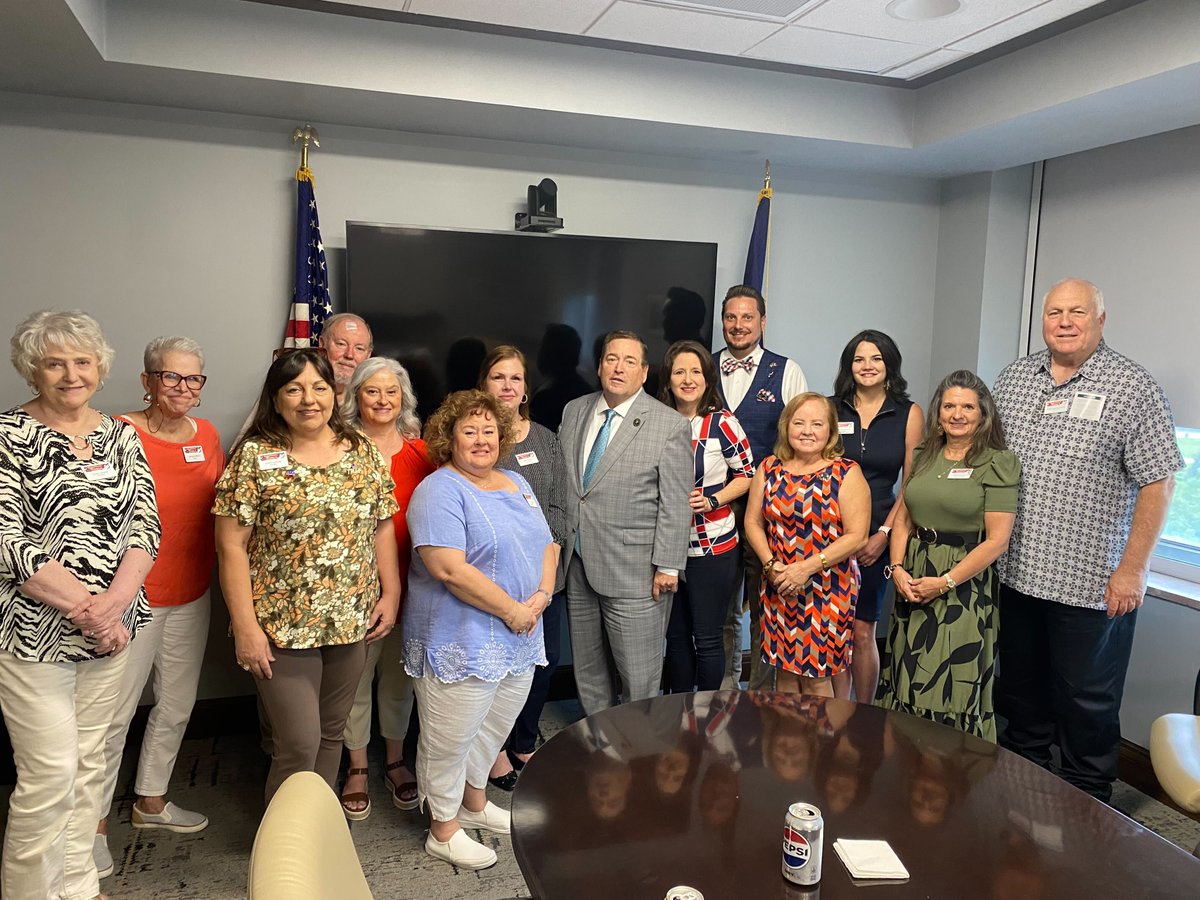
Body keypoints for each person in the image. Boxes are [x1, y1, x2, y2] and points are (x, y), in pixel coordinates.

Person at [993, 278, 1183, 801]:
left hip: (1091, 584)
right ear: (1043, 320)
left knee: (1087, 703)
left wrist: (1134, 569)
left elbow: (1159, 480)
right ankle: (1020, 787)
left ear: (1101, 319)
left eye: (1078, 311)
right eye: (1055, 311)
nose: (1065, 321)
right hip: (1016, 573)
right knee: (1019, 693)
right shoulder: (1014, 381)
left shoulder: (1131, 387)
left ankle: (1087, 807)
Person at [0, 310, 159, 900]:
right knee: (48, 776)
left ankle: (77, 884)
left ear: (100, 367)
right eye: (54, 362)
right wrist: (91, 610)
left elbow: (146, 525)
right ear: (31, 370)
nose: (71, 374)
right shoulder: (6, 436)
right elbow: (8, 542)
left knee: (92, 764)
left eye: (82, 361)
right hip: (34, 635)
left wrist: (114, 607)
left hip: (114, 631)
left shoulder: (119, 433)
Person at [214, 348, 401, 805]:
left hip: (349, 621)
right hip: (280, 626)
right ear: (276, 399)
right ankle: (281, 857)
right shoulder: (255, 458)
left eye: (319, 388)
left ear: (334, 395)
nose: (308, 399)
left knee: (331, 735)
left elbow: (381, 525)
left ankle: (316, 835)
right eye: (293, 389)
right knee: (298, 743)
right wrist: (245, 628)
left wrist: (391, 592)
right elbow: (230, 546)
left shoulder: (361, 453)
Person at [403, 390, 556, 870]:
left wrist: (542, 596)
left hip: (521, 635)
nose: (481, 439)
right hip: (461, 639)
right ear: (449, 439)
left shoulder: (515, 481)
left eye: (489, 430)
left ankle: (474, 803)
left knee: (492, 732)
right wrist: (513, 609)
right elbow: (448, 569)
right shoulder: (438, 490)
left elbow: (548, 546)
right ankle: (443, 830)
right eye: (469, 431)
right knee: (451, 738)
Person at [94, 337, 223, 878]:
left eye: (194, 379)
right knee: (111, 717)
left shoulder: (209, 434)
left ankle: (151, 800)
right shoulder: (114, 432)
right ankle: (92, 826)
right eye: (171, 378)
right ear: (147, 381)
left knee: (175, 704)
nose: (184, 389)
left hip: (192, 592)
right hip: (131, 598)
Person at [877, 370, 1020, 741]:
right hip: (913, 575)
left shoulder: (998, 462)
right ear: (938, 412)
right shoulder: (924, 454)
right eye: (950, 405)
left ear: (983, 414)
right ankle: (905, 765)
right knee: (907, 673)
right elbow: (904, 520)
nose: (958, 414)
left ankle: (951, 777)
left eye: (968, 406)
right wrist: (896, 569)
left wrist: (945, 582)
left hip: (963, 586)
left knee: (952, 679)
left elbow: (998, 540)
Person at [559, 330, 693, 714]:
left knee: (639, 676)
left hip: (637, 573)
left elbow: (675, 503)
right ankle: (600, 747)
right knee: (588, 670)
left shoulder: (669, 425)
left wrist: (668, 565)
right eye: (611, 358)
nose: (618, 367)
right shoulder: (575, 410)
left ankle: (640, 758)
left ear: (645, 372)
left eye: (629, 361)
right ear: (599, 366)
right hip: (578, 564)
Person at [337, 357, 434, 820]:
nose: (382, 400)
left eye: (391, 392)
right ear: (356, 396)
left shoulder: (422, 453)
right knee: (354, 679)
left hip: (413, 584)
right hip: (354, 588)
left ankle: (395, 758)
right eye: (372, 391)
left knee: (399, 680)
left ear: (404, 399)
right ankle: (356, 765)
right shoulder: (338, 449)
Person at [477, 346, 568, 790]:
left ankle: (525, 740)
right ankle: (493, 751)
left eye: (515, 378)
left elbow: (560, 506)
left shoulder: (547, 439)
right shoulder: (475, 437)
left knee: (542, 666)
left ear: (526, 388)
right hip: (492, 579)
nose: (508, 387)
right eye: (498, 378)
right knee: (497, 667)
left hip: (546, 576)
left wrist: (545, 566)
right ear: (484, 385)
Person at [744, 393, 870, 697]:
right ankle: (790, 742)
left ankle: (820, 743)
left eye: (817, 423)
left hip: (828, 588)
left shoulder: (846, 472)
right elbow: (752, 522)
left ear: (830, 430)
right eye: (799, 423)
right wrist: (772, 566)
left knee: (816, 676)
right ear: (787, 427)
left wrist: (806, 568)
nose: (807, 431)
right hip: (779, 583)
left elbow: (857, 536)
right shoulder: (769, 468)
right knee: (784, 673)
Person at [715, 285, 807, 691]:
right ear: (723, 322)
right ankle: (723, 689)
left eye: (747, 317)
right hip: (711, 509)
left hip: (768, 513)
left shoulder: (786, 370)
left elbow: (799, 440)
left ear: (762, 322)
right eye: (731, 318)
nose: (738, 325)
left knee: (766, 605)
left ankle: (761, 697)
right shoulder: (701, 367)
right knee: (721, 606)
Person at [830, 330, 924, 703]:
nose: (867, 367)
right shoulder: (830, 407)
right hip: (830, 531)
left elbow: (912, 480)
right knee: (832, 629)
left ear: (889, 365)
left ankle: (863, 714)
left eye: (876, 359)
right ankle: (835, 711)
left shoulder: (908, 413)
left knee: (862, 629)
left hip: (878, 533)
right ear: (848, 366)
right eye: (859, 359)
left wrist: (884, 533)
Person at [658, 340, 753, 693]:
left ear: (707, 379)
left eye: (695, 371)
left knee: (708, 637)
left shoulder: (721, 423)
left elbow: (747, 475)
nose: (687, 379)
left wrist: (713, 499)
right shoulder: (657, 422)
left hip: (712, 547)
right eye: (679, 371)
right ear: (667, 380)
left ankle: (706, 717)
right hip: (666, 548)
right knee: (677, 639)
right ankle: (679, 718)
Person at [318, 312, 373, 401]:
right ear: (322, 344)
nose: (349, 355)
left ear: (368, 355)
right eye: (341, 344)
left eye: (359, 348)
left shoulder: (373, 401)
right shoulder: (304, 395)